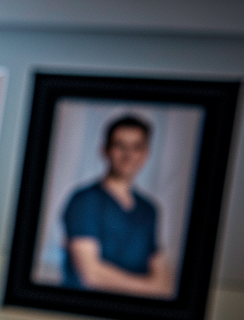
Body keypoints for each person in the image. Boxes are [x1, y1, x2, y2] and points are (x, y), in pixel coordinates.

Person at [60, 115, 174, 298]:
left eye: (137, 147)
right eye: (120, 145)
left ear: (145, 154)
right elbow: (91, 275)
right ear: (105, 150)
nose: (128, 154)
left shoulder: (149, 210)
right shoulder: (85, 200)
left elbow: (164, 279)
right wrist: (151, 287)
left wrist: (156, 287)